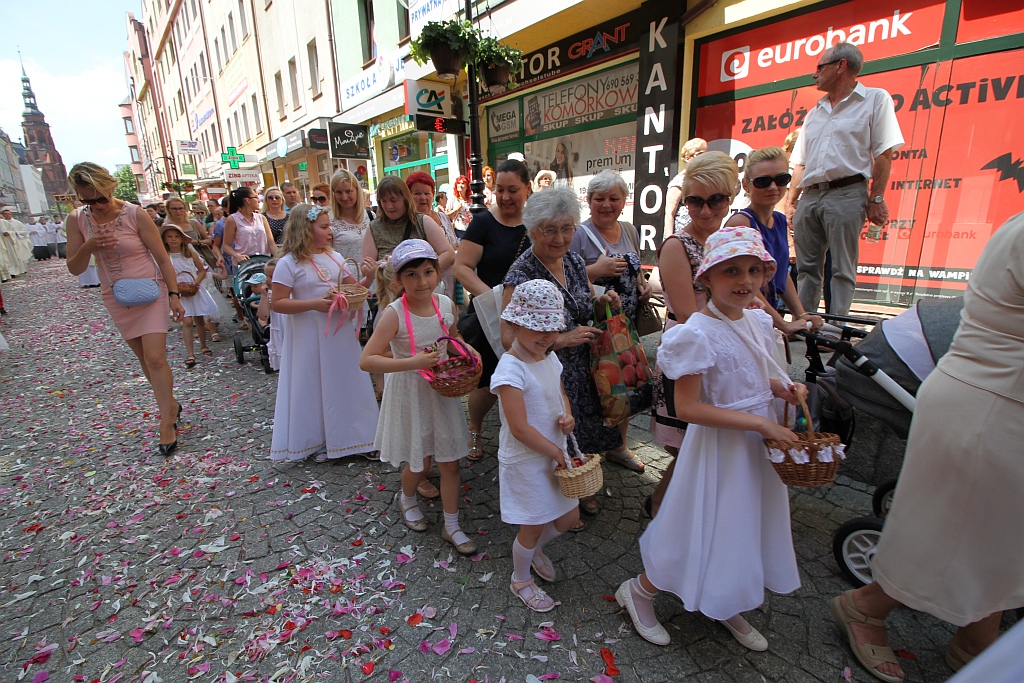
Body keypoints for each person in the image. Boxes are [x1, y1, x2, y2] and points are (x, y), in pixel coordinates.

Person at [828, 212, 1024, 683]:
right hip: (991, 409)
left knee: (999, 539)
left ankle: (976, 635)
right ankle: (866, 606)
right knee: (945, 530)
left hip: (995, 402)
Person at [617, 226, 807, 651]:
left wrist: (782, 390)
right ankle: (641, 590)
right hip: (721, 446)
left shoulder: (757, 321)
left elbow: (752, 378)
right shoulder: (697, 332)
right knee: (699, 522)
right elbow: (688, 408)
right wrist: (761, 424)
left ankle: (723, 596)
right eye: (731, 271)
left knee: (740, 524)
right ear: (706, 278)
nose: (744, 281)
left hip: (753, 446)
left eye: (754, 270)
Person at [503, 186, 624, 520]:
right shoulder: (521, 274)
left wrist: (601, 301)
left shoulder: (572, 259)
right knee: (557, 429)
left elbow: (582, 301)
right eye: (550, 231)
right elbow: (508, 338)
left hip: (584, 363)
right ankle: (559, 497)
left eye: (567, 228)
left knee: (582, 425)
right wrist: (562, 339)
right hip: (547, 369)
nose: (560, 238)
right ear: (532, 231)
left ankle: (579, 479)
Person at [359, 239, 478, 556]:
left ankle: (451, 525)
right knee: (420, 462)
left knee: (450, 463)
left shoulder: (446, 305)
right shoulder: (394, 314)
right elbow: (367, 360)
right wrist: (413, 362)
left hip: (441, 392)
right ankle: (407, 498)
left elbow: (452, 338)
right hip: (410, 393)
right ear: (398, 280)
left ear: (438, 272)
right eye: (411, 275)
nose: (422, 281)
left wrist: (467, 350)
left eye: (428, 272)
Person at [64, 162, 185, 456]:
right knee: (144, 359)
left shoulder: (134, 213)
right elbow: (74, 268)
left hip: (151, 291)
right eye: (88, 201)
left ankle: (166, 420)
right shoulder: (77, 219)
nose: (97, 205)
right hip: (117, 296)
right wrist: (88, 246)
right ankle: (170, 405)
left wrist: (174, 294)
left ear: (110, 188)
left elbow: (162, 258)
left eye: (101, 198)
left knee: (155, 357)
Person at [786, 41, 903, 316]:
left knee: (841, 267)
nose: (814, 74)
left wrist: (876, 198)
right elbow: (801, 161)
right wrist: (792, 201)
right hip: (810, 194)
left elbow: (884, 154)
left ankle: (836, 326)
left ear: (841, 66)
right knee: (806, 267)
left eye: (820, 67)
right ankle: (804, 323)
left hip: (847, 191)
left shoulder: (875, 99)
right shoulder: (815, 112)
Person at [648, 152, 737, 517]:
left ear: (730, 198)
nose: (705, 210)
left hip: (722, 349)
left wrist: (780, 323)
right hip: (689, 351)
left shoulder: (728, 240)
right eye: (695, 201)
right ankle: (660, 507)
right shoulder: (677, 246)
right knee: (688, 445)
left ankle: (682, 510)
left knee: (706, 442)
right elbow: (688, 316)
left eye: (716, 199)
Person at [491, 279, 581, 612]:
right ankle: (520, 579)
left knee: (569, 516)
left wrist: (567, 416)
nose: (545, 337)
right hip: (528, 458)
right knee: (532, 524)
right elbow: (519, 428)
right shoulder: (510, 369)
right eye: (536, 328)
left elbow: (560, 393)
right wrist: (556, 452)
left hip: (554, 452)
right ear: (515, 325)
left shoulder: (547, 357)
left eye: (551, 329)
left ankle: (534, 551)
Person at [270, 204, 378, 462]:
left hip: (338, 334)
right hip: (308, 334)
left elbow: (354, 289)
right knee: (314, 383)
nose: (331, 232)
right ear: (306, 229)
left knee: (344, 380)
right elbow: (278, 302)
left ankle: (356, 437)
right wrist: (314, 304)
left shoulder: (335, 257)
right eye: (324, 227)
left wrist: (368, 277)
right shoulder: (288, 263)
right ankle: (320, 439)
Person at [569, 170, 652, 472]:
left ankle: (619, 446)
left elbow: (636, 269)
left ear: (623, 201)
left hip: (624, 324)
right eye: (599, 198)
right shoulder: (579, 234)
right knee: (597, 387)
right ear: (589, 201)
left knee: (625, 385)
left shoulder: (628, 229)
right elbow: (564, 276)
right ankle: (587, 452)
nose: (606, 205)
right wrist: (597, 269)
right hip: (594, 325)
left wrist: (643, 284)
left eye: (613, 198)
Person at [454, 159, 533, 462]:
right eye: (499, 189)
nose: (505, 196)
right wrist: (496, 300)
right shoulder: (483, 223)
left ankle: (525, 430)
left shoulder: (536, 222)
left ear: (527, 188)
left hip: (531, 315)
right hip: (491, 315)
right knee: (488, 381)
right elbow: (462, 267)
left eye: (512, 190)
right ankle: (474, 427)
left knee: (529, 376)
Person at [725, 147, 824, 335]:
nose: (772, 187)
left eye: (781, 179)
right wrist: (783, 324)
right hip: (741, 322)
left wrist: (801, 314)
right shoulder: (741, 223)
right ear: (746, 185)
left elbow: (781, 272)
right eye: (762, 181)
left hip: (763, 319)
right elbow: (744, 285)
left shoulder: (779, 220)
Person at [361, 176, 455, 283]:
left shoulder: (422, 221)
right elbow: (366, 267)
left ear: (405, 199)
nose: (389, 206)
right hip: (388, 290)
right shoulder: (374, 227)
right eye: (384, 201)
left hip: (420, 289)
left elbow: (449, 254)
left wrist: (425, 274)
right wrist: (379, 267)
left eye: (393, 200)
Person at [164, 197, 223, 341]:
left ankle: (212, 328)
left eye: (180, 208)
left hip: (198, 259)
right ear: (169, 210)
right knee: (187, 295)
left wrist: (195, 242)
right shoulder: (166, 226)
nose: (178, 211)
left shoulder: (193, 223)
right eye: (174, 208)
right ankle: (194, 324)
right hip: (180, 263)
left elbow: (208, 239)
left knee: (206, 293)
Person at [162, 224, 218, 368]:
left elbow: (202, 270)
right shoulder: (165, 256)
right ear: (165, 239)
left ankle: (203, 345)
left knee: (199, 319)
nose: (173, 239)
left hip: (194, 289)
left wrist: (195, 283)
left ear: (182, 238)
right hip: (177, 292)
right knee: (186, 321)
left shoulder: (189, 253)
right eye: (170, 237)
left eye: (176, 236)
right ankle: (190, 353)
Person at [407, 172, 459, 298]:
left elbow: (455, 244)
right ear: (408, 196)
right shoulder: (409, 224)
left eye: (427, 193)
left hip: (451, 283)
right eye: (417, 193)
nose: (423, 198)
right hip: (426, 287)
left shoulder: (443, 217)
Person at [663, 137, 708, 239]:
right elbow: (669, 213)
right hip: (681, 237)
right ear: (688, 157)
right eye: (700, 154)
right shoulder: (680, 181)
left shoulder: (701, 179)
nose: (703, 158)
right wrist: (669, 240)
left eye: (705, 154)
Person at [328, 169, 374, 269]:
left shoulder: (371, 216)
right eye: (339, 192)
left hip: (370, 275)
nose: (344, 197)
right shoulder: (328, 221)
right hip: (343, 275)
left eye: (348, 191)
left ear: (357, 191)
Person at [222, 187, 278, 265]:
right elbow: (226, 245)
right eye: (256, 197)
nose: (259, 201)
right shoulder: (233, 219)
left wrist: (278, 258)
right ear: (247, 200)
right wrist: (237, 255)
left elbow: (271, 243)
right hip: (244, 264)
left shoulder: (261, 218)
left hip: (263, 262)